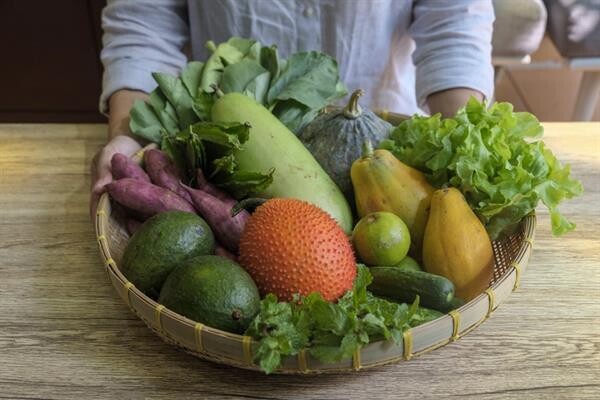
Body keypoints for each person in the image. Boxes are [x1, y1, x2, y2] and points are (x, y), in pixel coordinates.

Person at [91, 0, 495, 216]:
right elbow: (143, 23)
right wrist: (128, 137)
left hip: (386, 146)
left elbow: (455, 26)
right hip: (225, 162)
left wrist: (462, 149)